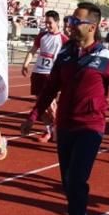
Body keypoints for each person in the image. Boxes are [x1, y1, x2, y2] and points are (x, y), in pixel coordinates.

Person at [21, 3, 109, 215]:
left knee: (76, 179)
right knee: (67, 181)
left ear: (92, 27)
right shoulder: (64, 53)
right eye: (70, 20)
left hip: (91, 127)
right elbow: (51, 88)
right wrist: (33, 115)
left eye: (75, 21)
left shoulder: (106, 59)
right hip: (65, 125)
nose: (70, 25)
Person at [21, 10, 68, 143]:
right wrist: (25, 64)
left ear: (57, 22)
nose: (47, 25)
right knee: (40, 106)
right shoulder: (41, 36)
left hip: (51, 76)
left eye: (50, 23)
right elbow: (33, 51)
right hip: (38, 74)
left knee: (51, 106)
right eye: (46, 22)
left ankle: (59, 129)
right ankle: (48, 130)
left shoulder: (64, 40)